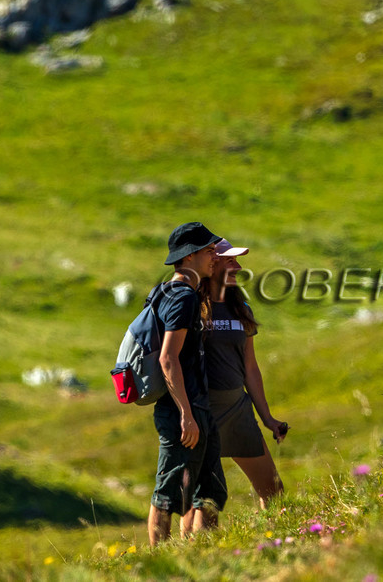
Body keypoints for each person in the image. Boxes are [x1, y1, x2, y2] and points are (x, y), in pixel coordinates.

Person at [185, 239, 289, 523]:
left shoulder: (240, 306)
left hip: (237, 409)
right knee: (204, 503)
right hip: (203, 410)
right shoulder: (190, 305)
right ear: (212, 263)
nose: (238, 267)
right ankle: (193, 557)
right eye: (230, 261)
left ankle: (277, 543)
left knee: (274, 491)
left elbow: (250, 367)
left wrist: (267, 418)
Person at [148, 222, 230, 546]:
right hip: (183, 411)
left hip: (197, 408)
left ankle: (201, 558)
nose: (215, 255)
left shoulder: (168, 292)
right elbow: (168, 359)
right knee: (168, 495)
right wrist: (185, 413)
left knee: (210, 492)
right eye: (210, 250)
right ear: (191, 255)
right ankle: (160, 566)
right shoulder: (182, 298)